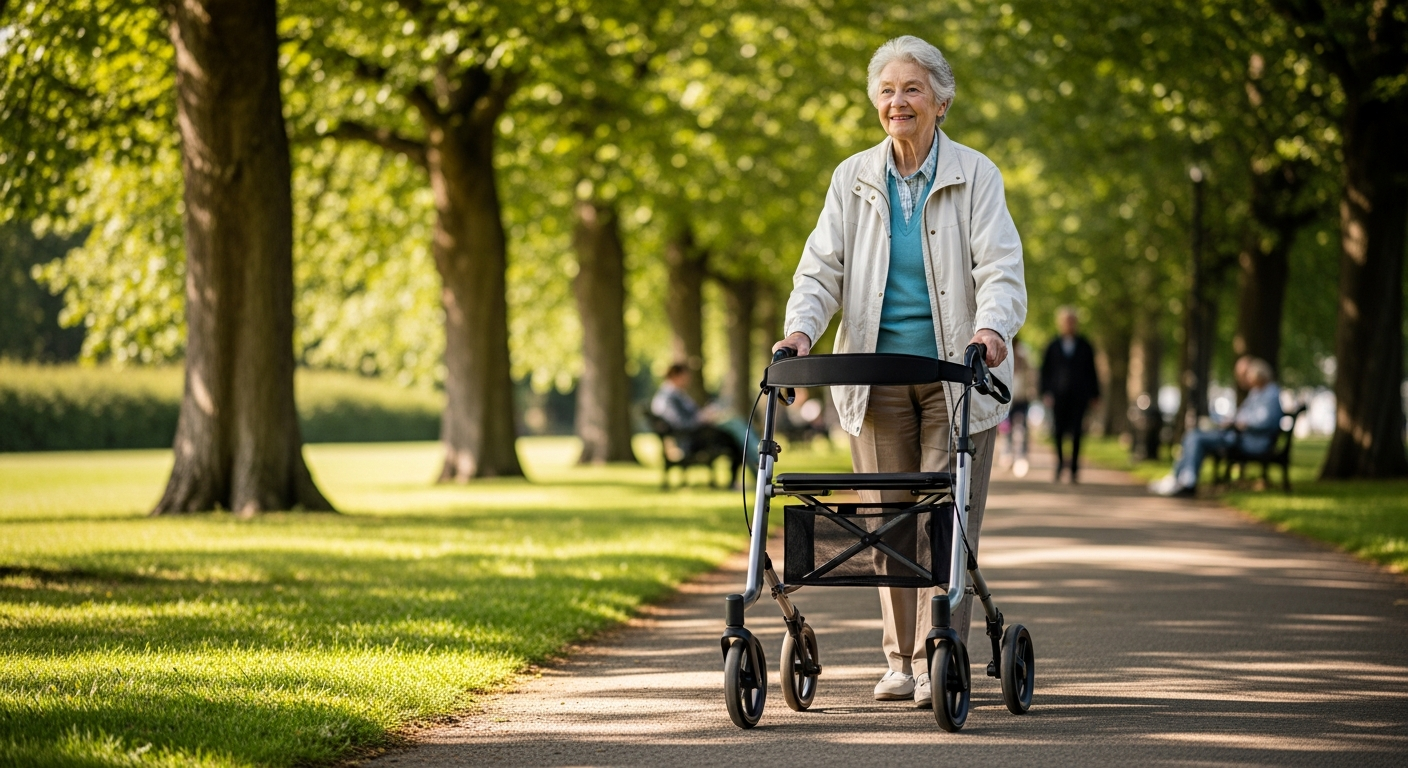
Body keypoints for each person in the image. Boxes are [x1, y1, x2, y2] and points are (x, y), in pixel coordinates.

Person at [773, 36, 1026, 709]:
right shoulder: (852, 177)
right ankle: (900, 662)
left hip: (956, 376)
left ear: (941, 101)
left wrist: (992, 328)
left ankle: (941, 652)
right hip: (875, 377)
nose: (897, 101)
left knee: (945, 520)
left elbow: (1000, 266)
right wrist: (800, 332)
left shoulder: (977, 174)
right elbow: (821, 269)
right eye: (887, 90)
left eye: (912, 89)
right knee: (887, 523)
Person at [1150, 356, 1283, 497]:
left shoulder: (1270, 395)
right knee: (1193, 435)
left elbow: (1264, 421)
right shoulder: (1257, 393)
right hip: (1239, 436)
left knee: (1196, 438)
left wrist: (1241, 423)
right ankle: (1178, 478)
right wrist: (1231, 421)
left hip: (1250, 441)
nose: (1247, 381)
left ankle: (1187, 482)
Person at [1039, 307, 1099, 483]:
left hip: (1080, 396)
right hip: (1058, 396)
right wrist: (1046, 392)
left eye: (1072, 321)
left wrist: (1095, 394)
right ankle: (1059, 465)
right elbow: (1045, 372)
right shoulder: (1052, 345)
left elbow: (1092, 371)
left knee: (1077, 432)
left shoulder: (1085, 345)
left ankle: (1073, 468)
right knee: (1057, 431)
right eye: (1066, 321)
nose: (1069, 325)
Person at [1002, 336, 1038, 477]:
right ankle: (1007, 454)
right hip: (1008, 398)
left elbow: (1031, 376)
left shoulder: (1025, 357)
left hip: (1022, 396)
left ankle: (1022, 456)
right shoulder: (1004, 356)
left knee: (1023, 427)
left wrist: (1032, 391)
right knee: (1007, 428)